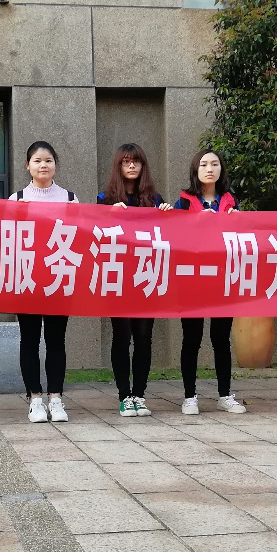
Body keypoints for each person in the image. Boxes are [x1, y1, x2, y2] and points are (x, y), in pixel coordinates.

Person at [97, 143, 173, 417]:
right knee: (122, 335)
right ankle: (124, 395)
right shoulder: (105, 199)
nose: (131, 166)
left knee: (144, 336)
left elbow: (168, 236)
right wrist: (109, 215)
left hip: (146, 276)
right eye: (126, 161)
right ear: (118, 166)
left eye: (136, 161)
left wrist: (168, 215)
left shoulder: (154, 199)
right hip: (118, 277)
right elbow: (95, 234)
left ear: (143, 166)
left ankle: (139, 394)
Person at [174, 149, 247, 415]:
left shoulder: (230, 200)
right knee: (192, 338)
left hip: (222, 277)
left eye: (214, 164)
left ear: (221, 170)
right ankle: (189, 396)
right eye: (204, 164)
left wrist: (237, 220)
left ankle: (225, 394)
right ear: (196, 170)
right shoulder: (184, 201)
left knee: (221, 338)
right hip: (192, 278)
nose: (209, 169)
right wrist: (196, 222)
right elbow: (174, 236)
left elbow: (242, 237)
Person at [10, 141, 78, 424]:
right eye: (37, 161)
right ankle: (35, 398)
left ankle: (56, 398)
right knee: (29, 340)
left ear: (55, 165)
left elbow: (78, 236)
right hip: (27, 278)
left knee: (56, 340)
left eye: (48, 160)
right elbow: (7, 240)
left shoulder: (69, 198)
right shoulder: (17, 199)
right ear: (28, 166)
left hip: (58, 278)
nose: (43, 165)